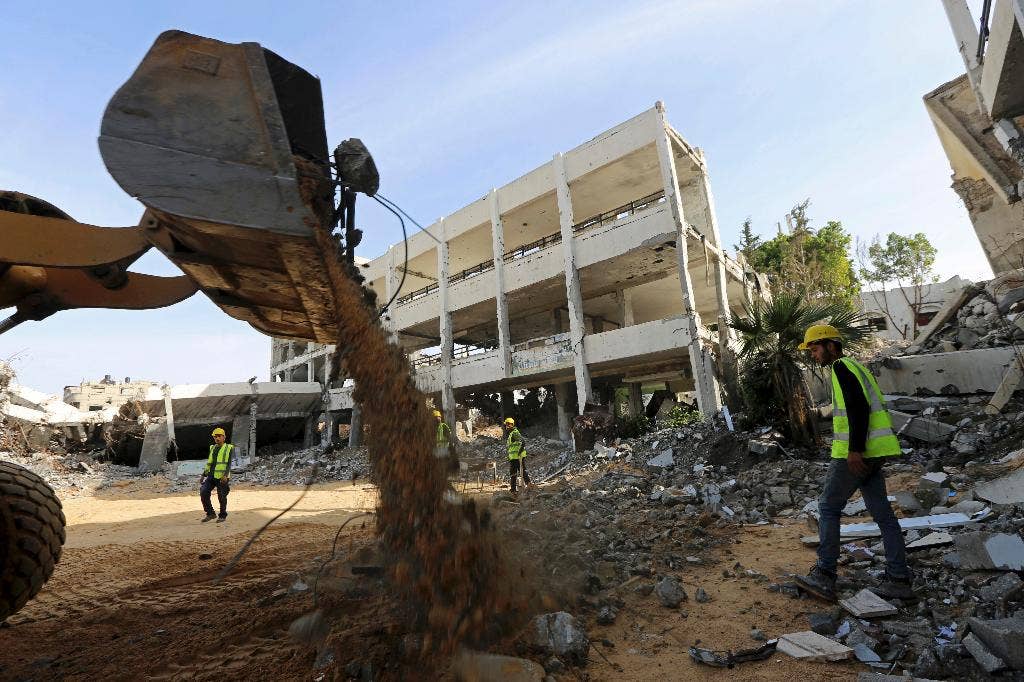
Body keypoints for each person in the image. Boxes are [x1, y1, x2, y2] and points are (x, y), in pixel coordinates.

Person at [794, 324, 913, 602]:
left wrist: (854, 450)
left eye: (815, 347)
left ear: (831, 345)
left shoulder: (840, 368)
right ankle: (899, 579)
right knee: (882, 513)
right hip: (875, 451)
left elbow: (858, 408)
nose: (813, 354)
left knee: (828, 507)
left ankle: (825, 575)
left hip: (856, 453)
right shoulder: (855, 367)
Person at [200, 427, 234, 523]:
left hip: (222, 477)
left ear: (224, 437)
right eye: (215, 437)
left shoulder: (229, 448)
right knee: (203, 492)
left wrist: (225, 475)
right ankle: (210, 513)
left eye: (219, 436)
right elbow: (210, 463)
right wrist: (203, 475)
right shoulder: (212, 448)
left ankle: (222, 515)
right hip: (211, 475)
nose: (217, 438)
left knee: (221, 496)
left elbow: (229, 463)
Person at [503, 417, 530, 493]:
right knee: (515, 472)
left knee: (521, 471)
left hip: (518, 457)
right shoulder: (511, 434)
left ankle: (528, 485)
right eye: (506, 425)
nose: (506, 427)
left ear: (511, 425)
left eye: (507, 425)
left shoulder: (514, 433)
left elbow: (523, 441)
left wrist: (520, 452)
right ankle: (514, 489)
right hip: (514, 458)